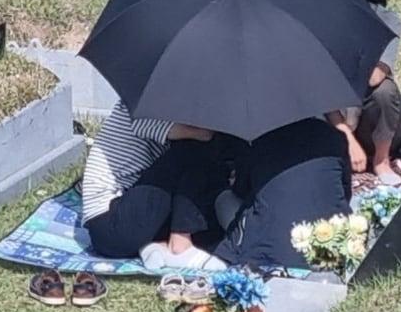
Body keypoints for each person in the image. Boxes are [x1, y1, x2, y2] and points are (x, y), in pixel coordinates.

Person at [81, 100, 228, 270]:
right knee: (193, 148)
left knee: (208, 222)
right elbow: (203, 135)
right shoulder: (137, 107)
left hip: (127, 222)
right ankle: (180, 245)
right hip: (109, 220)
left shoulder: (160, 103)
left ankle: (154, 248)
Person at [214, 117, 351, 272]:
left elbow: (242, 190)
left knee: (225, 200)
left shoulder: (260, 141)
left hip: (270, 253)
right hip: (333, 245)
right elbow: (344, 190)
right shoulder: (334, 136)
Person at [331, 0, 401, 186]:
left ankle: (382, 160)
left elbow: (375, 77)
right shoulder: (326, 21)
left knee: (385, 90)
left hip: (372, 118)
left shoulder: (388, 20)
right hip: (338, 112)